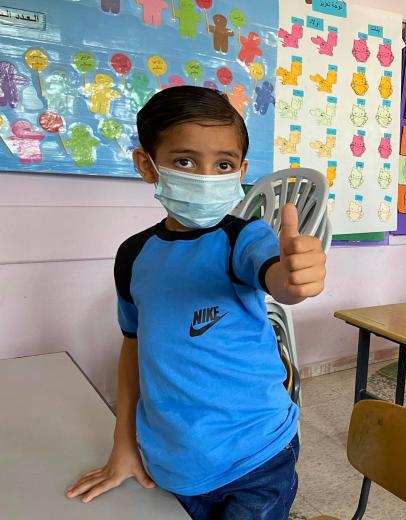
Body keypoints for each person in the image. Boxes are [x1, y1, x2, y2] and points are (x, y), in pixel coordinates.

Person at [66, 86, 327, 520]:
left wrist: (294, 279)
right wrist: (123, 445)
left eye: (223, 164)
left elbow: (276, 278)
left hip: (257, 457)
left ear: (240, 170)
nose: (206, 177)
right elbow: (133, 346)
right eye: (185, 161)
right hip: (171, 463)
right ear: (146, 165)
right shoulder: (134, 255)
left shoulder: (243, 238)